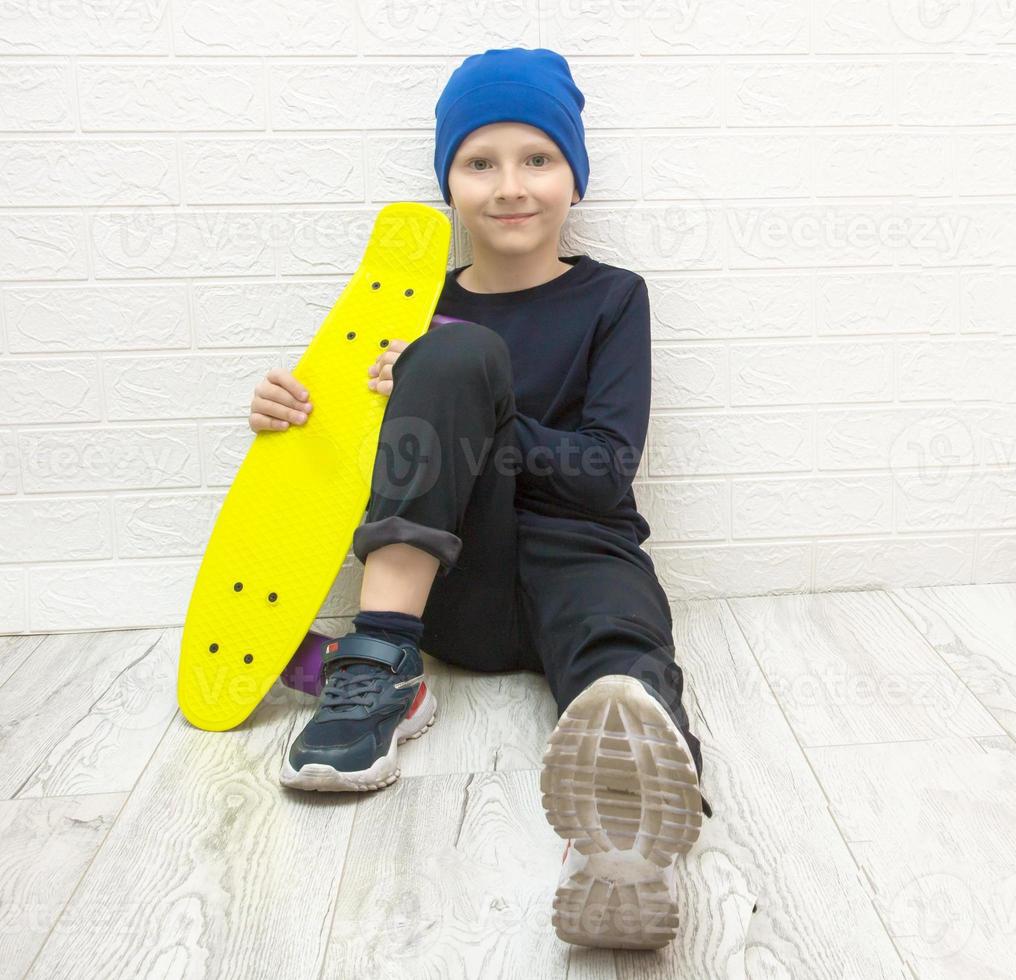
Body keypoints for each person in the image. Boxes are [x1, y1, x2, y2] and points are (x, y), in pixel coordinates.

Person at [246, 47, 711, 951]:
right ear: (447, 183)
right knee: (454, 351)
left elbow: (605, 470)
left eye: (537, 159)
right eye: (479, 162)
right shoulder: (407, 319)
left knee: (621, 661)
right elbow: (361, 480)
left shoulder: (613, 299)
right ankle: (383, 671)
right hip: (450, 578)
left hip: (580, 553)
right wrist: (294, 422)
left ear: (575, 178)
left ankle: (625, 846)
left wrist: (488, 416)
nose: (510, 186)